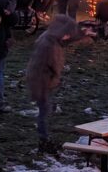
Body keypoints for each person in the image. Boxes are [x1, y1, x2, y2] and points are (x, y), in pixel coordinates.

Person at [25, 15, 80, 153]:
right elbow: (41, 66)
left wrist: (83, 33)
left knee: (46, 110)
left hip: (46, 81)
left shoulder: (50, 38)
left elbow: (65, 42)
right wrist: (50, 79)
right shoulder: (48, 45)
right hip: (41, 82)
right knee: (44, 111)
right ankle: (43, 139)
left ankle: (45, 136)